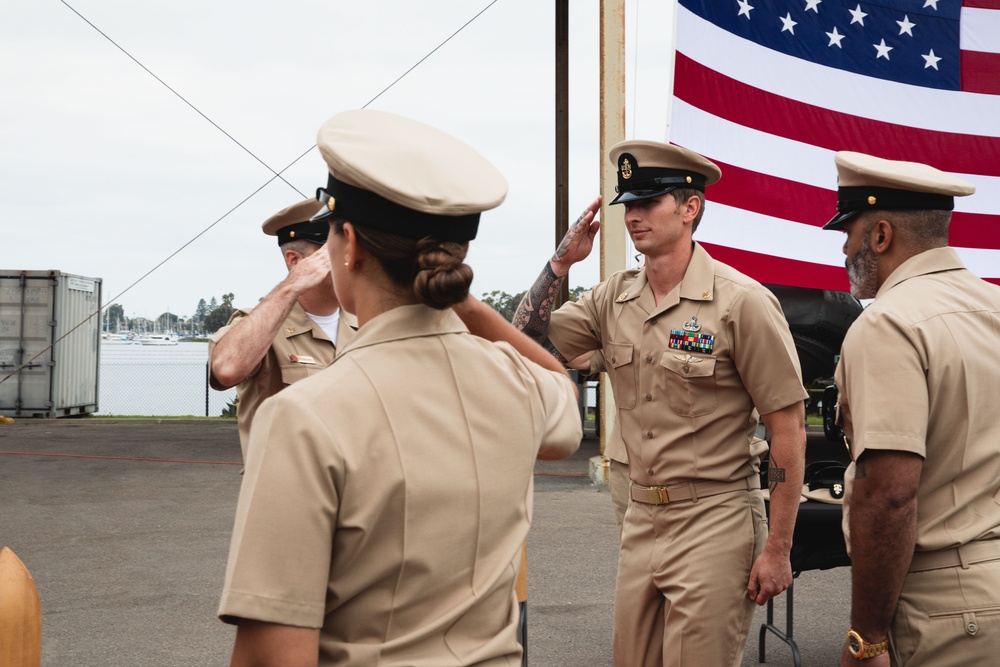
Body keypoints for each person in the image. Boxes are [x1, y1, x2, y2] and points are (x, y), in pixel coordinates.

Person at [217, 109, 583, 667]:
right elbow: (561, 394)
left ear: (350, 246)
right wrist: (464, 302)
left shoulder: (302, 419)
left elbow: (273, 654)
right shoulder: (517, 384)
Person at [513, 140, 808, 666]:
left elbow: (788, 426)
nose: (634, 215)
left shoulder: (741, 302)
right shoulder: (611, 300)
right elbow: (524, 343)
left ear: (690, 208)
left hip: (715, 517)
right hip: (641, 518)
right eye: (628, 203)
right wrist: (560, 263)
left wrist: (778, 548)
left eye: (649, 202)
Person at [825, 152, 1000, 666]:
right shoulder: (992, 310)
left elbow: (890, 496)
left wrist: (868, 638)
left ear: (881, 236)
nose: (843, 247)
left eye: (850, 232)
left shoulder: (889, 324)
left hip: (941, 608)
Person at [208, 198, 356, 458]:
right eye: (338, 251)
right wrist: (292, 285)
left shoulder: (367, 325)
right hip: (290, 491)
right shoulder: (260, 328)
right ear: (294, 260)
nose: (353, 261)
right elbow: (227, 370)